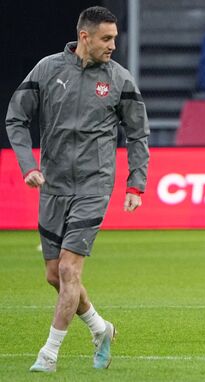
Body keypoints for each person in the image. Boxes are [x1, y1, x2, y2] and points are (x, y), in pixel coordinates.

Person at [5, 6, 149, 371]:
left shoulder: (119, 79)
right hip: (52, 185)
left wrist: (136, 183)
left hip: (94, 184)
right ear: (84, 37)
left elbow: (137, 133)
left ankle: (49, 354)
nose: (113, 45)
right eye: (106, 38)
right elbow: (16, 118)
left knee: (70, 270)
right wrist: (28, 166)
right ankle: (101, 328)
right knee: (53, 275)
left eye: (114, 38)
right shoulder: (48, 70)